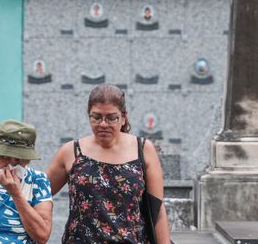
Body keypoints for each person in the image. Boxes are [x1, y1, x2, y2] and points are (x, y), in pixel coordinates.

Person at [49, 84, 169, 244]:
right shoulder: (71, 151)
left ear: (123, 117)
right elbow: (40, 195)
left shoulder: (143, 149)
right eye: (96, 117)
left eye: (111, 118)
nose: (103, 124)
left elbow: (157, 209)